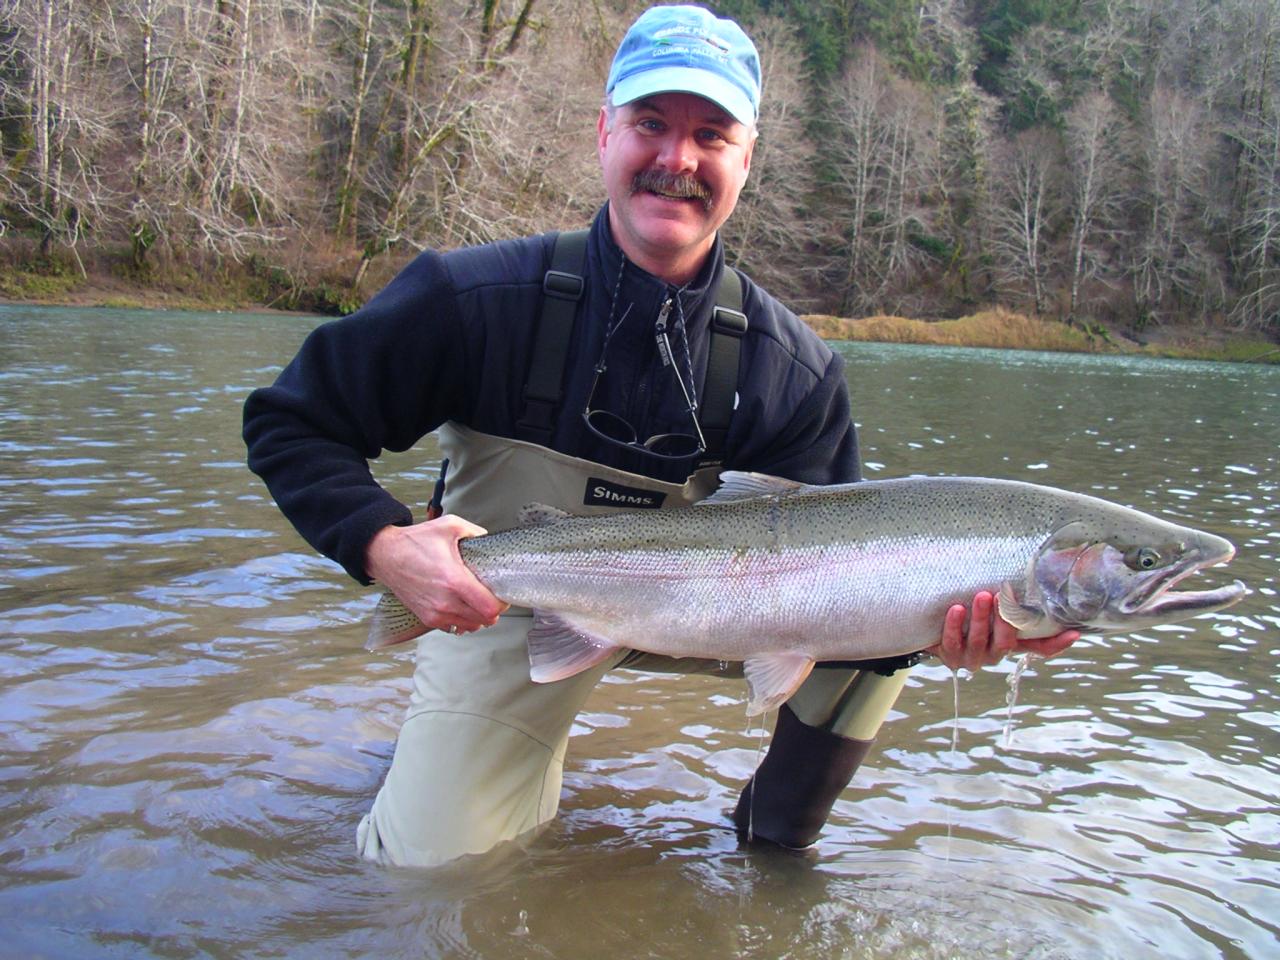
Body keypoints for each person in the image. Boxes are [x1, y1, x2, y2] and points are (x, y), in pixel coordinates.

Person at [243, 5, 1077, 868]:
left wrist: (948, 626)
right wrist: (382, 545)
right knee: (426, 876)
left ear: (745, 160)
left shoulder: (794, 370)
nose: (676, 160)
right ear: (605, 133)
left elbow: (854, 574)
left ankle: (772, 856)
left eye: (711, 135)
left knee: (873, 647)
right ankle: (456, 760)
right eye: (651, 124)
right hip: (504, 603)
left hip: (730, 617)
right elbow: (290, 421)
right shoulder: (471, 300)